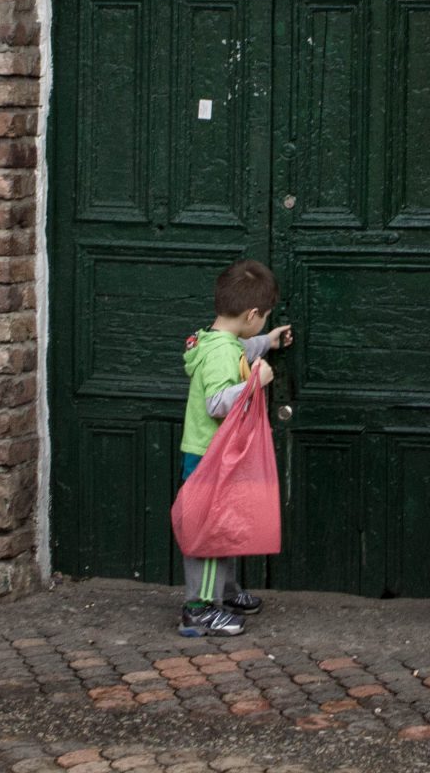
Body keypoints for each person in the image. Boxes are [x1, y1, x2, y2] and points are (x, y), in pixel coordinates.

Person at [177, 257, 292, 637]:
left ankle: (223, 592)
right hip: (212, 456)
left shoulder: (216, 340)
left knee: (222, 525)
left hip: (210, 454)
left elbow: (238, 348)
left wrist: (266, 341)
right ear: (252, 313)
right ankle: (198, 608)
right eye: (263, 320)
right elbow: (216, 402)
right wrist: (255, 383)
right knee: (211, 533)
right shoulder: (221, 352)